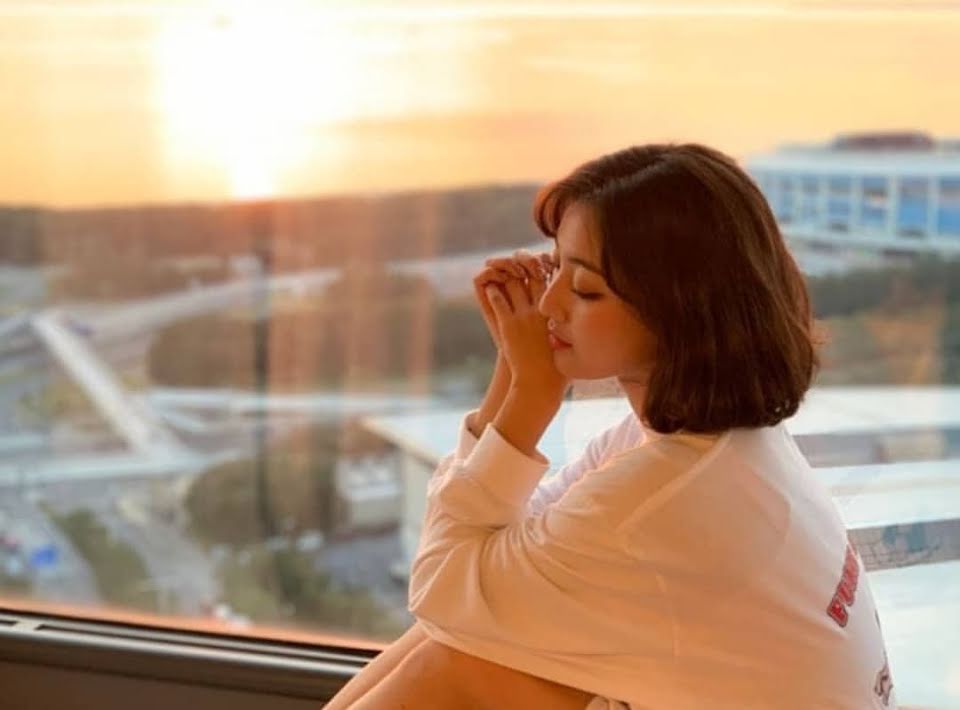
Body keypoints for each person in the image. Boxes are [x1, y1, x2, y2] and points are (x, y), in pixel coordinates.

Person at [325, 143, 897, 709]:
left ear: (678, 309)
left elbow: (442, 589)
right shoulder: (711, 445)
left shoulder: (664, 502)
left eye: (584, 289)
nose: (547, 304)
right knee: (466, 639)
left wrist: (530, 395)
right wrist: (513, 373)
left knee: (461, 658)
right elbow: (493, 560)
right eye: (554, 268)